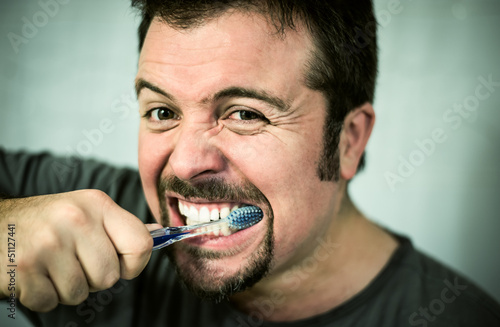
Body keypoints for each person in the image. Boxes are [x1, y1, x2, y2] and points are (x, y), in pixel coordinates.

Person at [0, 0, 499, 326]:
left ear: (348, 141)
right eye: (162, 111)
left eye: (244, 114)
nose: (187, 162)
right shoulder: (79, 213)